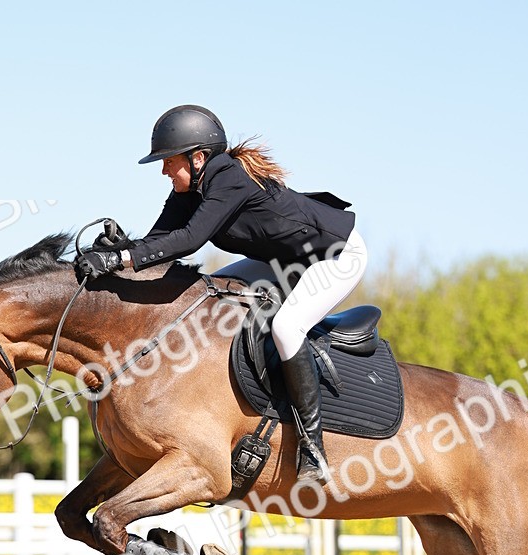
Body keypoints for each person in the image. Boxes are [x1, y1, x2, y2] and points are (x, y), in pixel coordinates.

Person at [75, 105, 368, 483]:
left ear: (198, 158)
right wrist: (117, 251)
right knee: (212, 298)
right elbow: (158, 242)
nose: (164, 170)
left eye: (169, 161)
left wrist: (121, 258)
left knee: (287, 327)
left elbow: (189, 240)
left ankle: (313, 448)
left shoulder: (229, 178)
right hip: (282, 259)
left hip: (335, 255)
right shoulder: (188, 189)